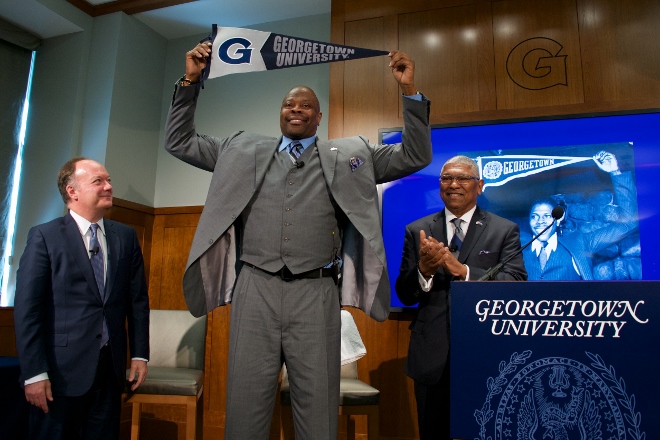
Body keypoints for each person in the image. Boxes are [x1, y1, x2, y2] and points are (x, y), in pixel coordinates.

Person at [165, 40, 432, 440]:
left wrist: (409, 91)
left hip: (317, 290)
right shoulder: (240, 150)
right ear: (280, 114)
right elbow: (179, 142)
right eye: (290, 104)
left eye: (305, 105)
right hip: (255, 287)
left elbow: (415, 155)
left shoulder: (351, 155)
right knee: (245, 400)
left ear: (319, 117)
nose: (296, 109)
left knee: (318, 403)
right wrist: (190, 80)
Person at [14, 158, 150, 440]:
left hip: (109, 372)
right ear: (72, 191)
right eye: (98, 181)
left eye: (108, 180)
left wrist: (139, 353)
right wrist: (35, 373)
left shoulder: (125, 236)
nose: (109, 186)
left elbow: (137, 301)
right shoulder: (44, 236)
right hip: (58, 374)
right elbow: (28, 309)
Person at [395, 155, 527, 439]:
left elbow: (516, 282)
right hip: (432, 354)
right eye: (446, 178)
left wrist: (464, 271)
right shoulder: (417, 230)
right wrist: (424, 271)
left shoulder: (504, 230)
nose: (453, 184)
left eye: (462, 178)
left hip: (486, 351)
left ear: (479, 185)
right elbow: (405, 294)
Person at [523, 150, 638, 280]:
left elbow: (629, 222)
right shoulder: (516, 248)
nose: (540, 221)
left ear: (559, 219)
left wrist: (615, 172)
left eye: (547, 216)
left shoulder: (580, 242)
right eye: (535, 216)